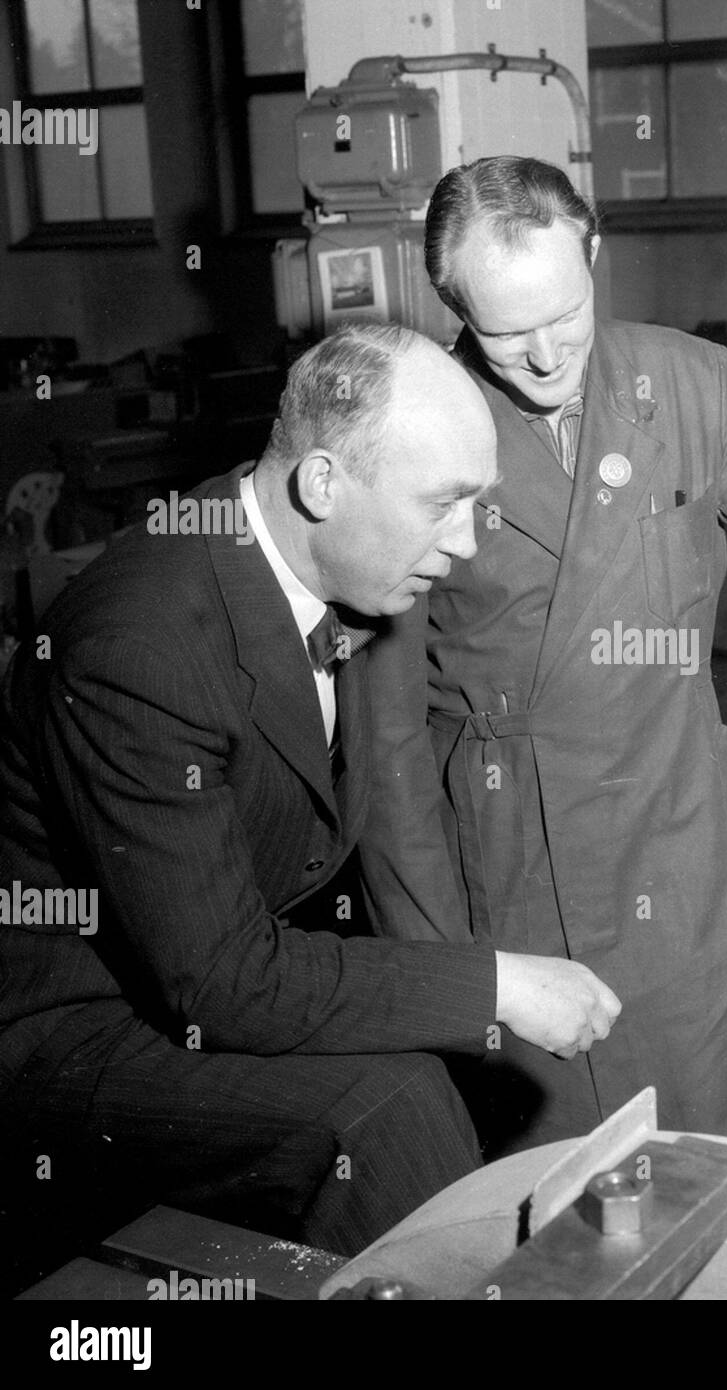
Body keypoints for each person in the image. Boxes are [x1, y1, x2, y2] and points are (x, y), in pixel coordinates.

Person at [0, 322, 620, 1286]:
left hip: (208, 965)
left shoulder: (338, 576)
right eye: (442, 505)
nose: (463, 543)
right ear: (321, 483)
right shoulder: (140, 645)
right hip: (70, 1034)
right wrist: (494, 986)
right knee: (384, 1108)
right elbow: (223, 985)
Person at [362, 157, 727, 1156]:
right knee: (564, 1192)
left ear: (594, 254)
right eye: (504, 332)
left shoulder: (689, 383)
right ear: (450, 305)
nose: (541, 357)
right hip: (515, 864)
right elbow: (387, 747)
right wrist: (447, 971)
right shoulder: (407, 436)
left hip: (683, 838)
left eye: (563, 316)